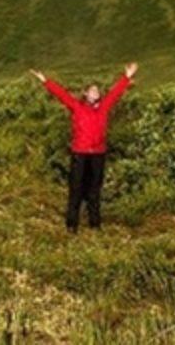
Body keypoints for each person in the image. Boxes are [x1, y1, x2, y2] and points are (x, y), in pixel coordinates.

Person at [30, 62, 138, 232]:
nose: (96, 92)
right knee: (76, 189)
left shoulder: (103, 108)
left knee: (94, 190)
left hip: (98, 153)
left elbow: (115, 93)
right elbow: (61, 94)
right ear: (86, 94)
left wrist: (127, 77)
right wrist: (45, 81)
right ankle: (72, 225)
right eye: (92, 90)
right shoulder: (77, 107)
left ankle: (95, 224)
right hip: (80, 153)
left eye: (97, 90)